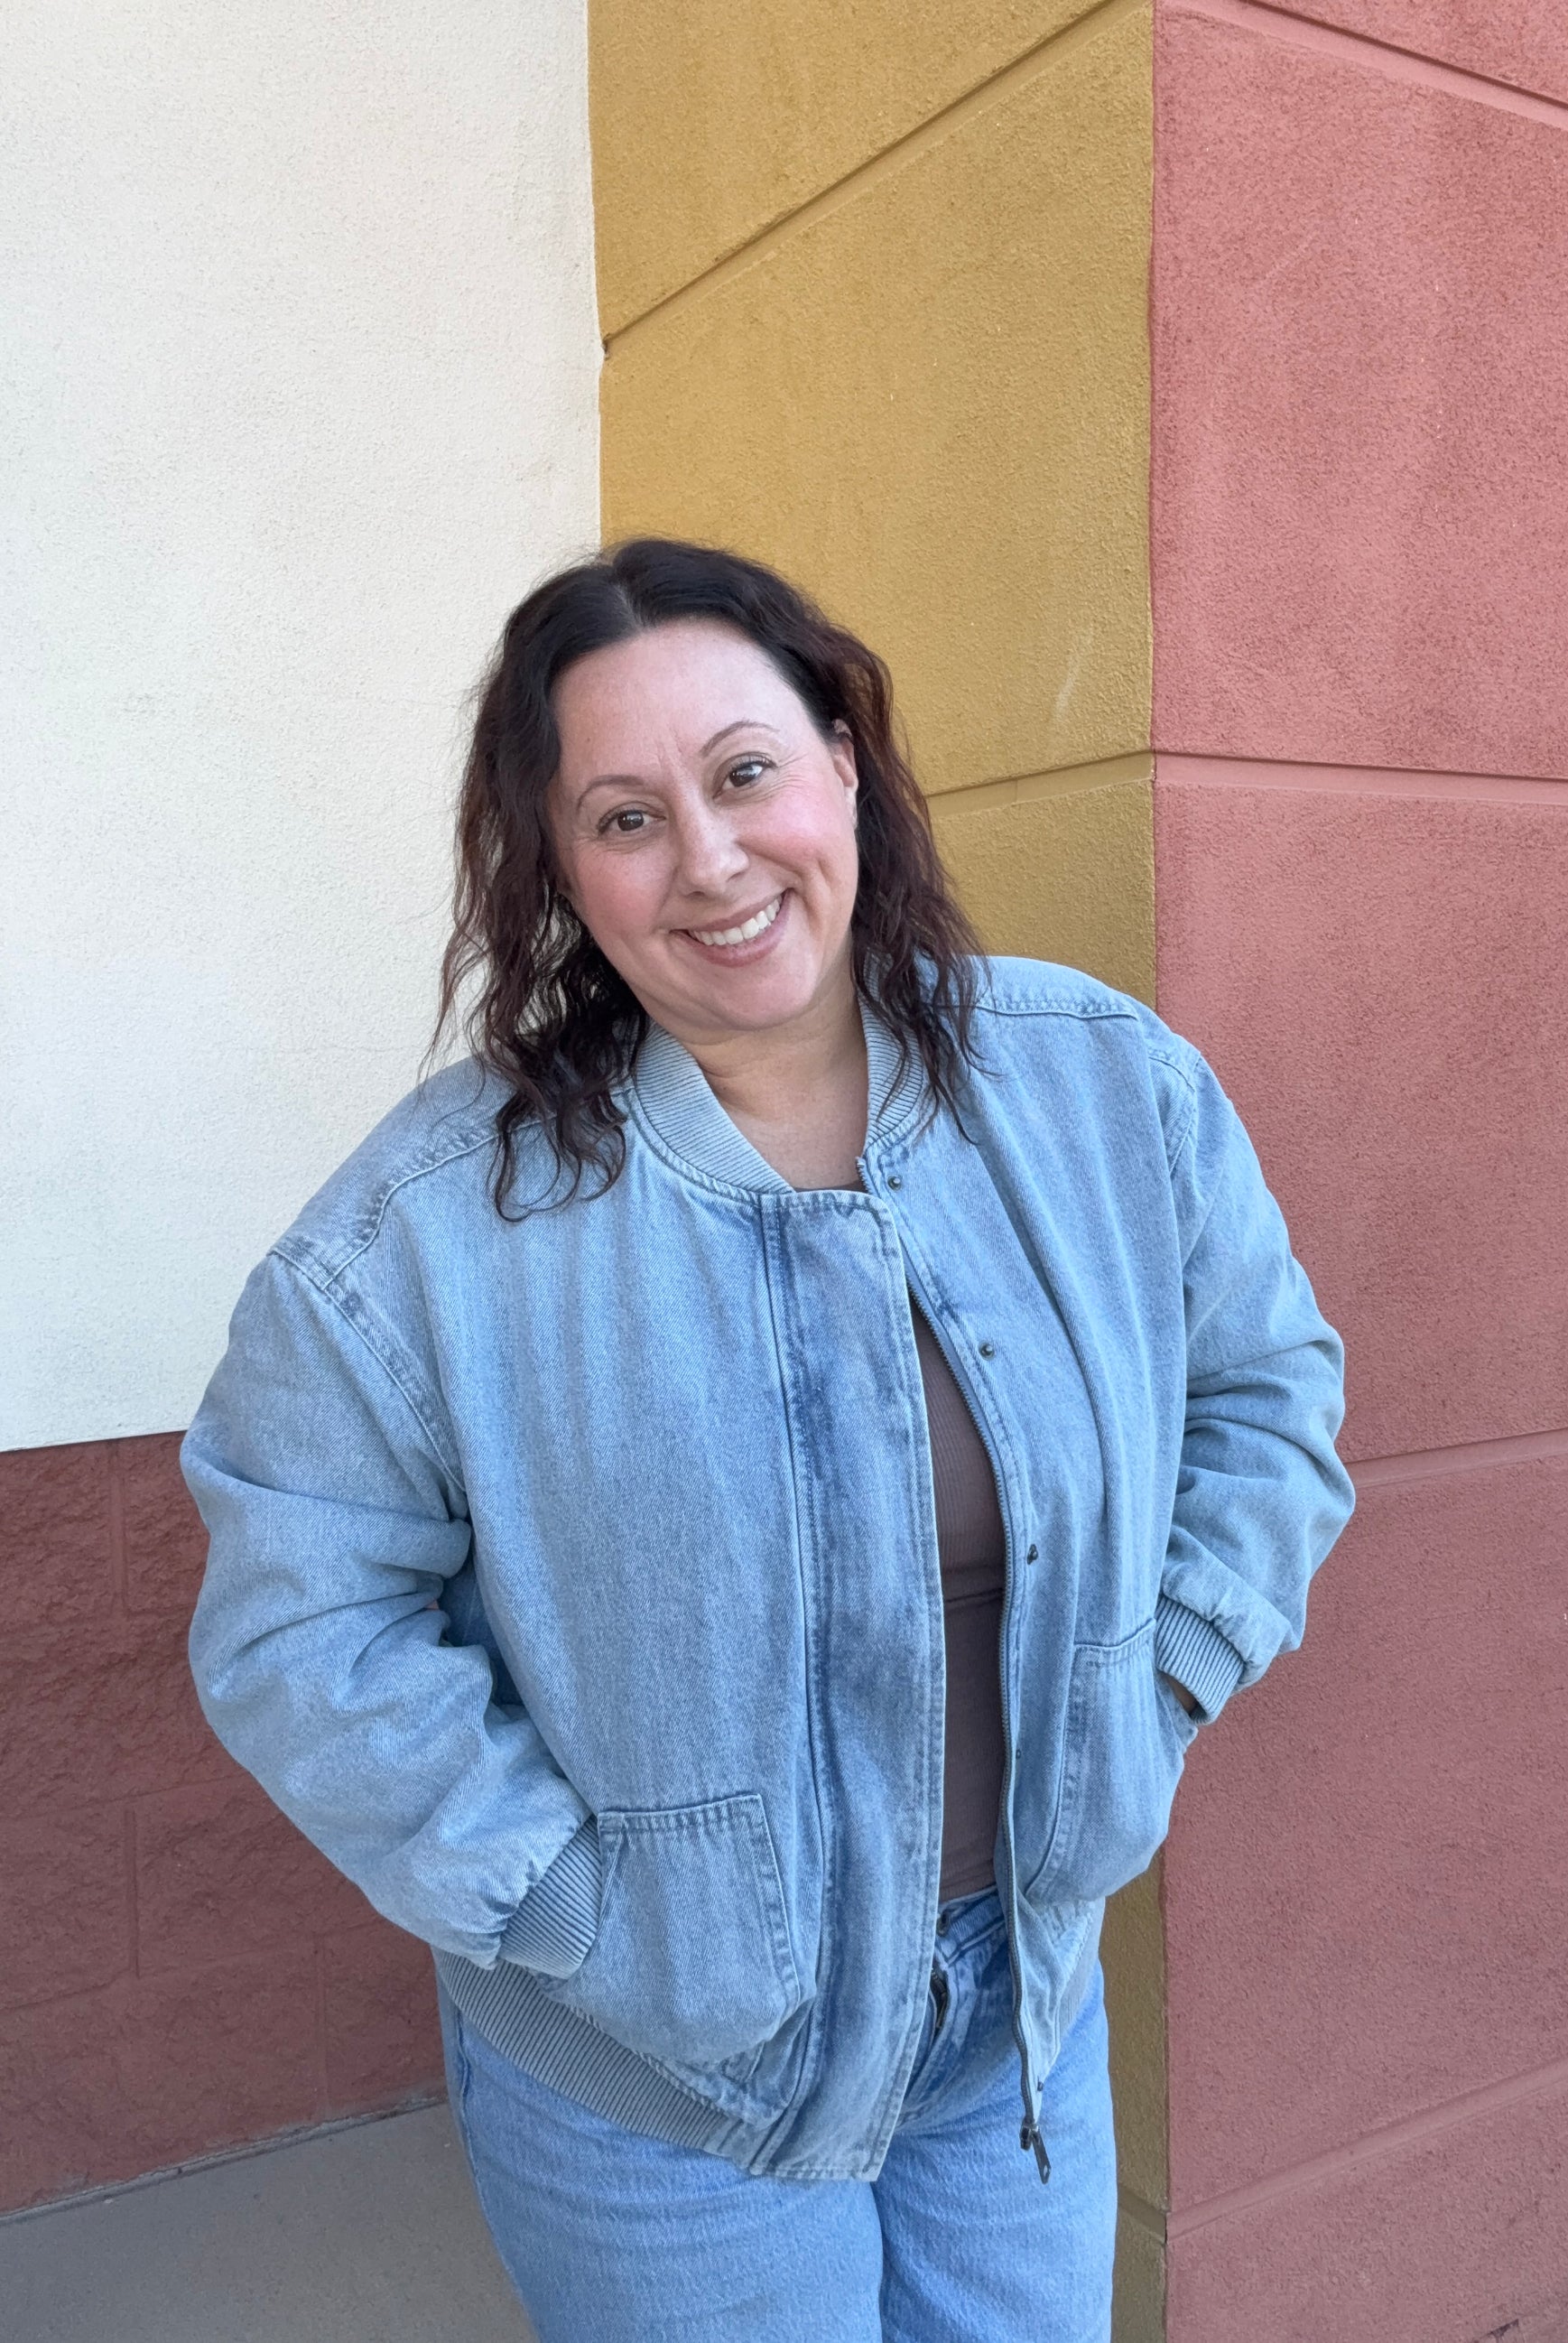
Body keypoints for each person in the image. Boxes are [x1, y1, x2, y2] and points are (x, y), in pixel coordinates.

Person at [183, 536, 1355, 2342]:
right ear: (561, 867)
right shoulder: (424, 1231)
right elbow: (298, 1627)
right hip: (665, 2084)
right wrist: (587, 1915)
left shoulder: (1102, 1084)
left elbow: (1266, 1393)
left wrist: (1161, 1678)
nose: (712, 857)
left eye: (744, 773)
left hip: (1014, 2011)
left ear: (841, 763)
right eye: (626, 814)